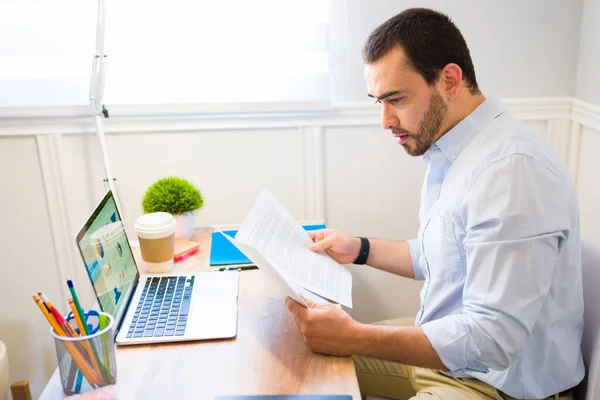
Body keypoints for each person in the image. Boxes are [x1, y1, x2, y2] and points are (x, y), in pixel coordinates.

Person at [285, 7, 584, 400]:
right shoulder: (452, 151)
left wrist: (356, 336)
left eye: (396, 99)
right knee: (298, 361)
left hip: (497, 387)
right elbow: (437, 257)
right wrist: (357, 248)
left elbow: (492, 341)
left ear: (449, 80)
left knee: (328, 357)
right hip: (447, 362)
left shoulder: (512, 172)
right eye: (379, 102)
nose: (386, 120)